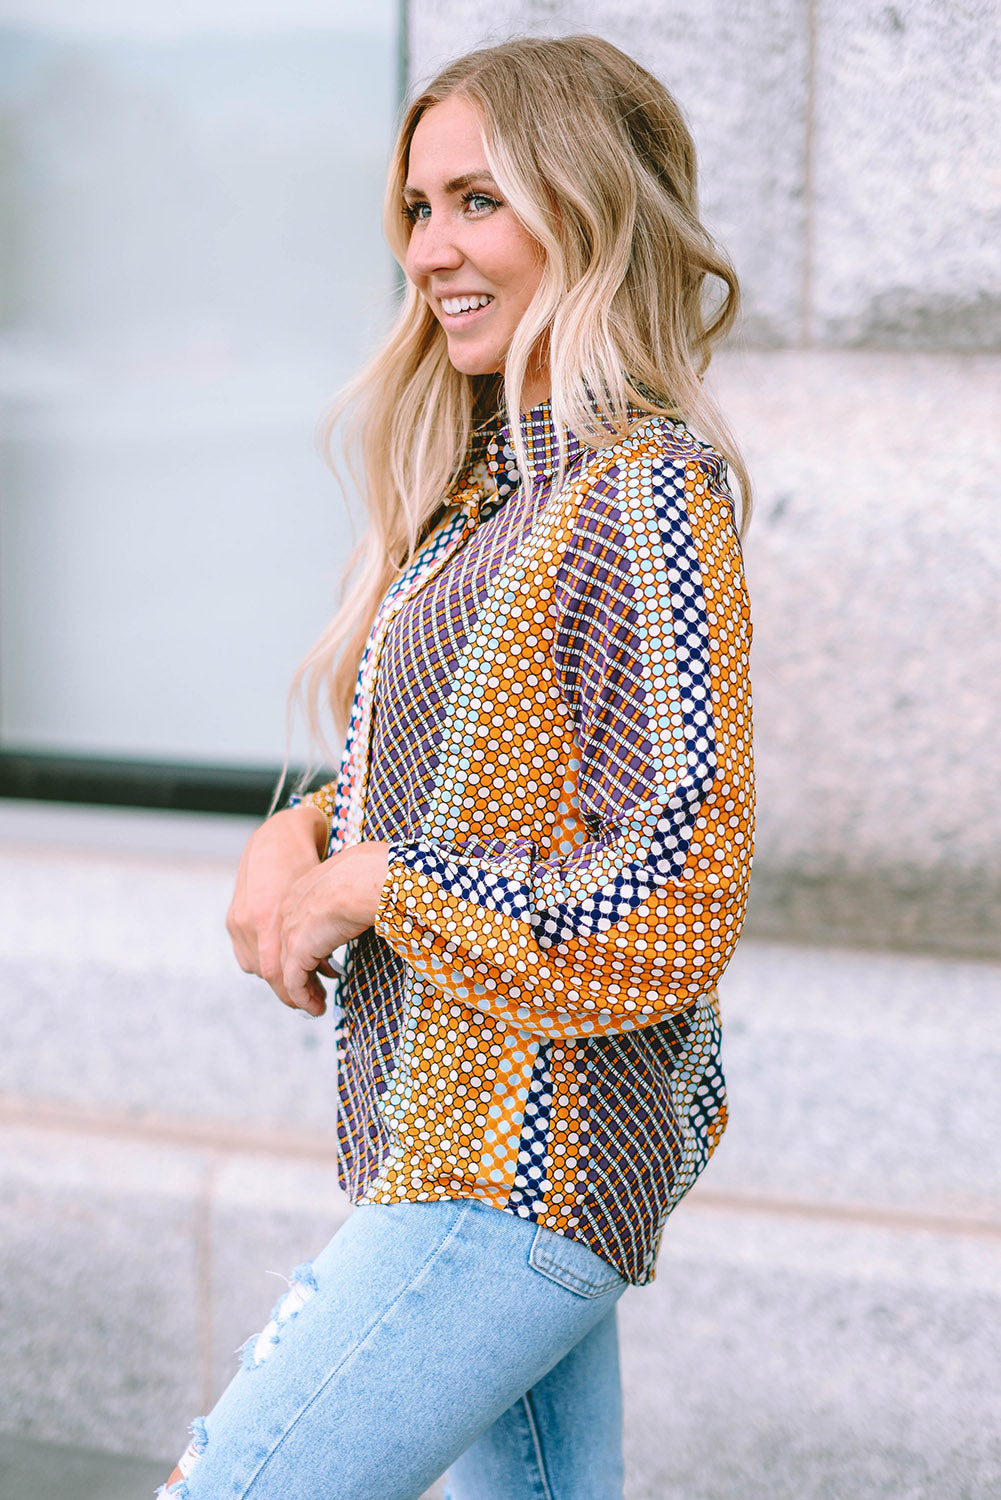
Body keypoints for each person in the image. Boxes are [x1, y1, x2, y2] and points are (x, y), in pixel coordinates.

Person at [159, 33, 753, 1500]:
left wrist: (371, 881)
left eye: (480, 200)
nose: (433, 249)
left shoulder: (647, 497)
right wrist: (292, 836)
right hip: (457, 1145)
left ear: (594, 210)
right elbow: (471, 775)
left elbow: (674, 883)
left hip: (520, 1168)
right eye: (419, 210)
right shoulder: (489, 496)